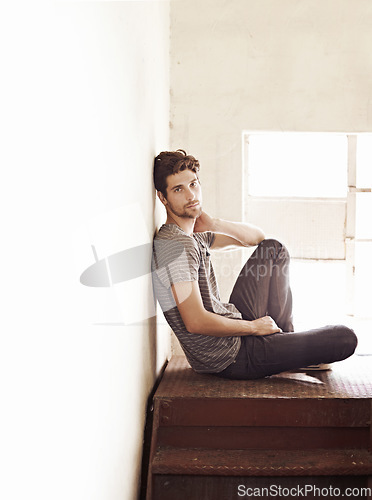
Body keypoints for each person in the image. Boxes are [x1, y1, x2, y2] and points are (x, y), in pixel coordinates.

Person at [151, 149, 357, 379]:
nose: (191, 195)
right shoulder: (174, 247)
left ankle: (282, 340)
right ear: (162, 197)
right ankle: (282, 345)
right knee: (344, 338)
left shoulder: (194, 235)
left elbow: (258, 238)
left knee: (274, 249)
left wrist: (215, 223)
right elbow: (195, 321)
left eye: (193, 184)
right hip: (229, 357)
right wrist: (254, 328)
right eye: (178, 189)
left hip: (235, 334)